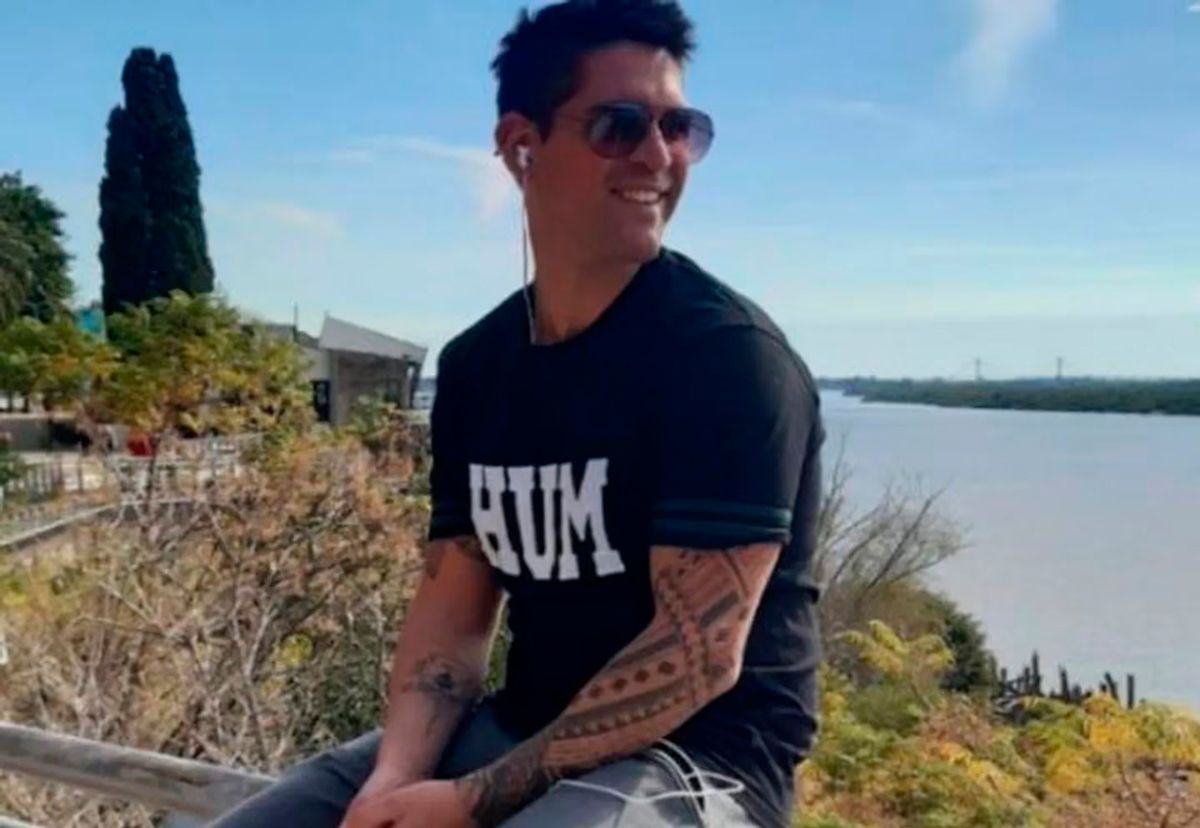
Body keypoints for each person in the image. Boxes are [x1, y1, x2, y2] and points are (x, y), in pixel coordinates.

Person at [209, 1, 822, 826]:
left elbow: (697, 654)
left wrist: (471, 801)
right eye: (619, 125)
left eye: (679, 128)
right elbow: (453, 610)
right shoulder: (478, 367)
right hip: (519, 731)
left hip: (702, 762)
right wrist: (394, 780)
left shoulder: (727, 357)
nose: (657, 156)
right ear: (520, 144)